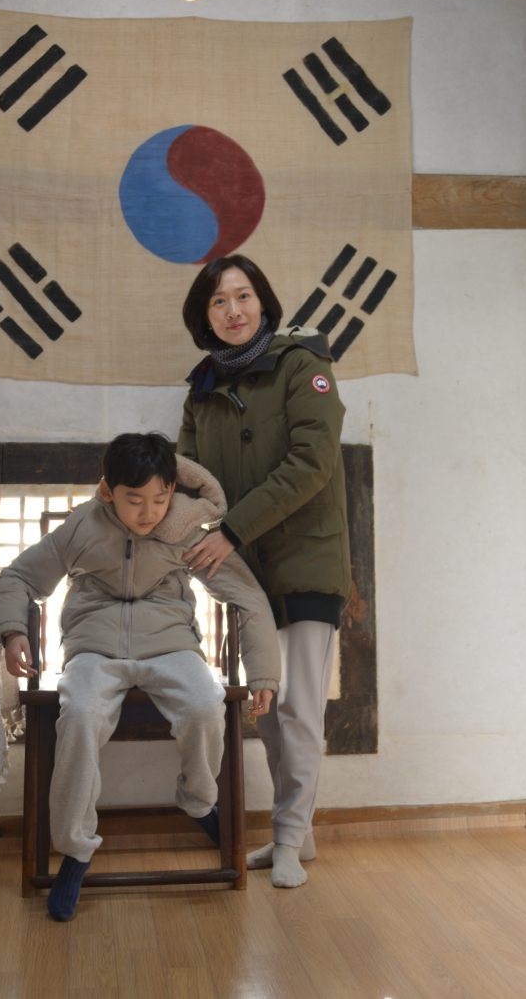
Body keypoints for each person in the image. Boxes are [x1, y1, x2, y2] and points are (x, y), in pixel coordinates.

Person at [0, 432, 279, 921]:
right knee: (79, 716)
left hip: (171, 645)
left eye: (160, 499)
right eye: (135, 500)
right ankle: (76, 849)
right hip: (94, 649)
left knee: (205, 705)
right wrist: (13, 630)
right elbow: (18, 577)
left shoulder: (184, 530)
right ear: (108, 491)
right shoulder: (82, 526)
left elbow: (247, 596)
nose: (149, 513)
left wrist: (264, 674)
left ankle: (198, 802)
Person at [178, 256, 351, 889]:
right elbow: (189, 477)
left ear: (264, 302)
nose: (234, 311)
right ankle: (296, 835)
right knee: (270, 711)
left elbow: (312, 462)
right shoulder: (201, 389)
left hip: (307, 560)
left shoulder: (303, 366)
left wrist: (229, 531)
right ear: (205, 317)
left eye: (243, 296)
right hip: (245, 574)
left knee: (300, 708)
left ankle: (285, 839)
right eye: (219, 302)